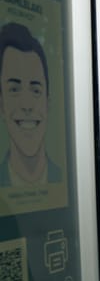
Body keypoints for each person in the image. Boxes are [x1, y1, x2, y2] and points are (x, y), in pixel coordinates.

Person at [0, 22, 61, 186]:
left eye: (35, 90)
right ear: (1, 104)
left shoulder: (67, 180)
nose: (26, 105)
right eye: (14, 89)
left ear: (47, 103)